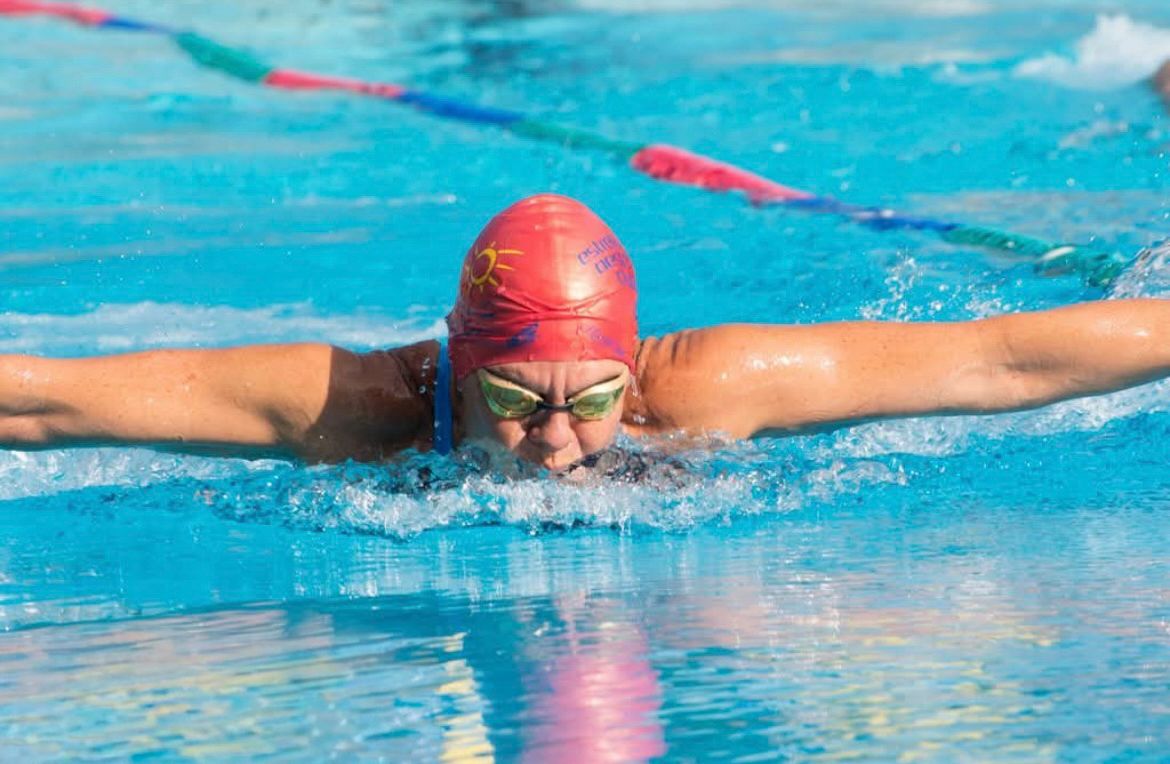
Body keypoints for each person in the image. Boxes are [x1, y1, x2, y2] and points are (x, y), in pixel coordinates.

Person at [1, 193, 1167, 472]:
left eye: (589, 399)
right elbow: (47, 400)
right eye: (515, 401)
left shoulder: (707, 386)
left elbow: (999, 357)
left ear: (630, 365)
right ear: (462, 367)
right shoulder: (359, 405)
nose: (557, 441)